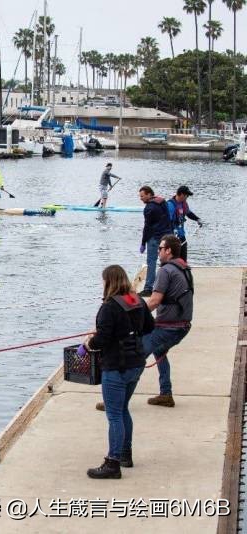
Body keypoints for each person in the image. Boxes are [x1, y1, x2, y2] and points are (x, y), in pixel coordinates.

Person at [83, 265, 155, 479]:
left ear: (109, 282)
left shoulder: (109, 307)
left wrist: (88, 343)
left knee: (114, 415)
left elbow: (101, 339)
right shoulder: (138, 301)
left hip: (116, 367)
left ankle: (113, 463)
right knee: (123, 409)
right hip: (136, 364)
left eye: (103, 280)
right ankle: (125, 454)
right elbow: (150, 327)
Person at [140, 234, 194, 408]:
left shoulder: (165, 270)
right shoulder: (184, 268)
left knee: (136, 355)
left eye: (161, 248)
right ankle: (166, 394)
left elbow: (154, 301)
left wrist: (131, 316)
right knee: (159, 351)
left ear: (169, 251)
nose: (158, 251)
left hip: (170, 327)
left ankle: (115, 399)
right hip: (183, 326)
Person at [138, 186, 173, 297]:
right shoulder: (162, 202)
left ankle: (149, 288)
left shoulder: (148, 209)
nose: (141, 198)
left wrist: (143, 243)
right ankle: (168, 285)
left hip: (154, 238)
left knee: (151, 261)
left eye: (142, 196)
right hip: (166, 236)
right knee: (166, 261)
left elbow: (147, 227)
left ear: (149, 194)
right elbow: (168, 218)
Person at [166, 185, 202, 261]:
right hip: (173, 238)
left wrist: (197, 219)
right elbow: (167, 221)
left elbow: (188, 213)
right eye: (187, 195)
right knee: (174, 261)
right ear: (182, 194)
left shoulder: (183, 204)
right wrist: (173, 232)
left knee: (183, 261)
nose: (187, 197)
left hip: (182, 236)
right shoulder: (170, 205)